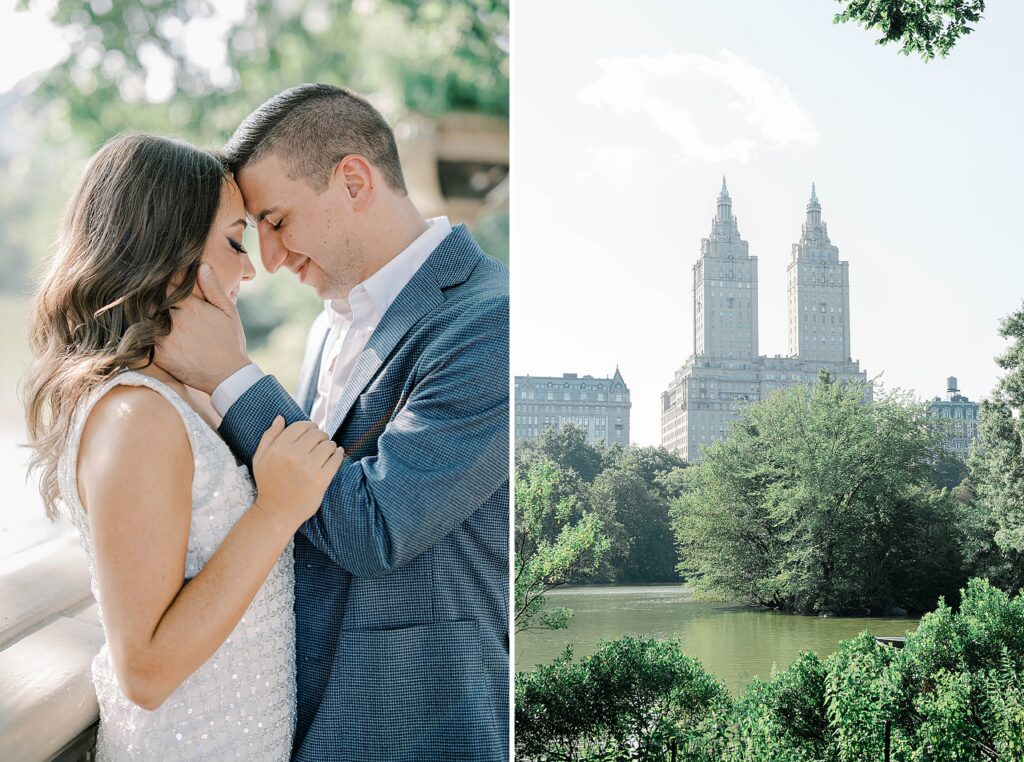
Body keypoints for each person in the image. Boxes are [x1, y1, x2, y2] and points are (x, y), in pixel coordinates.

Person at [156, 84, 510, 761]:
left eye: (278, 220)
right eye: (252, 232)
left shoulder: (493, 322)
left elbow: (376, 527)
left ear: (353, 181)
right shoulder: (328, 326)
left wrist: (233, 377)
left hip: (416, 727)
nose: (271, 259)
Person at [23, 133, 343, 759]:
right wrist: (275, 513)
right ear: (165, 250)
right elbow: (143, 670)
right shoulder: (135, 415)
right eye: (233, 241)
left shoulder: (177, 397)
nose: (249, 268)